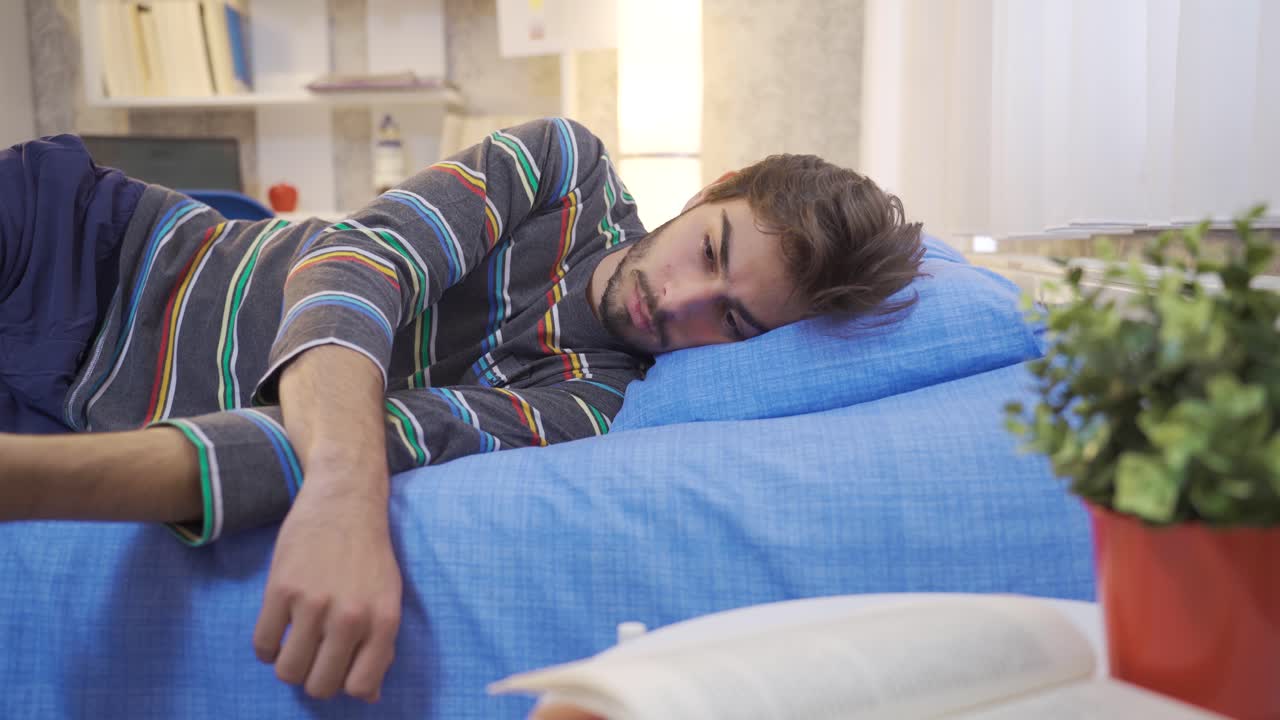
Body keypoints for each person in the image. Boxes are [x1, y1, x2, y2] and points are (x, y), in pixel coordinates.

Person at [0, 118, 925, 703]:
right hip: (84, 245)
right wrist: (342, 498)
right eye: (711, 251)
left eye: (732, 320)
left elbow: (408, 430)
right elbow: (359, 262)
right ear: (709, 194)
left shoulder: (591, 406)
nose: (682, 302)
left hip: (76, 414)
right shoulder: (569, 171)